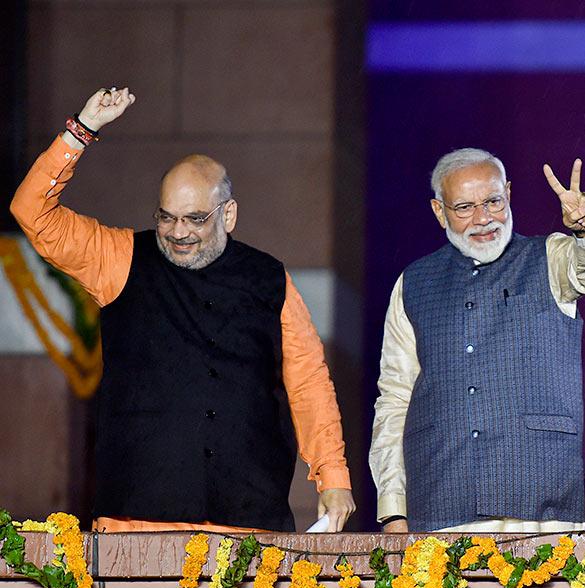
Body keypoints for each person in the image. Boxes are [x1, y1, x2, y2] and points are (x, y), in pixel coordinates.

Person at [11, 87, 355, 533]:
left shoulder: (269, 277)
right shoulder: (119, 258)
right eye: (166, 217)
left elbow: (308, 381)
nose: (177, 232)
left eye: (195, 218)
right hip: (138, 518)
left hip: (248, 519)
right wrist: (81, 130)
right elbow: (31, 211)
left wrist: (333, 475)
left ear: (227, 215)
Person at [369, 148, 585, 533]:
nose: (483, 219)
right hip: (441, 502)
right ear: (439, 211)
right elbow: (395, 398)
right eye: (464, 207)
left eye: (493, 201)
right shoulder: (414, 283)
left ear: (509, 195)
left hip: (540, 503)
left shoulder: (549, 256)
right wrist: (394, 507)